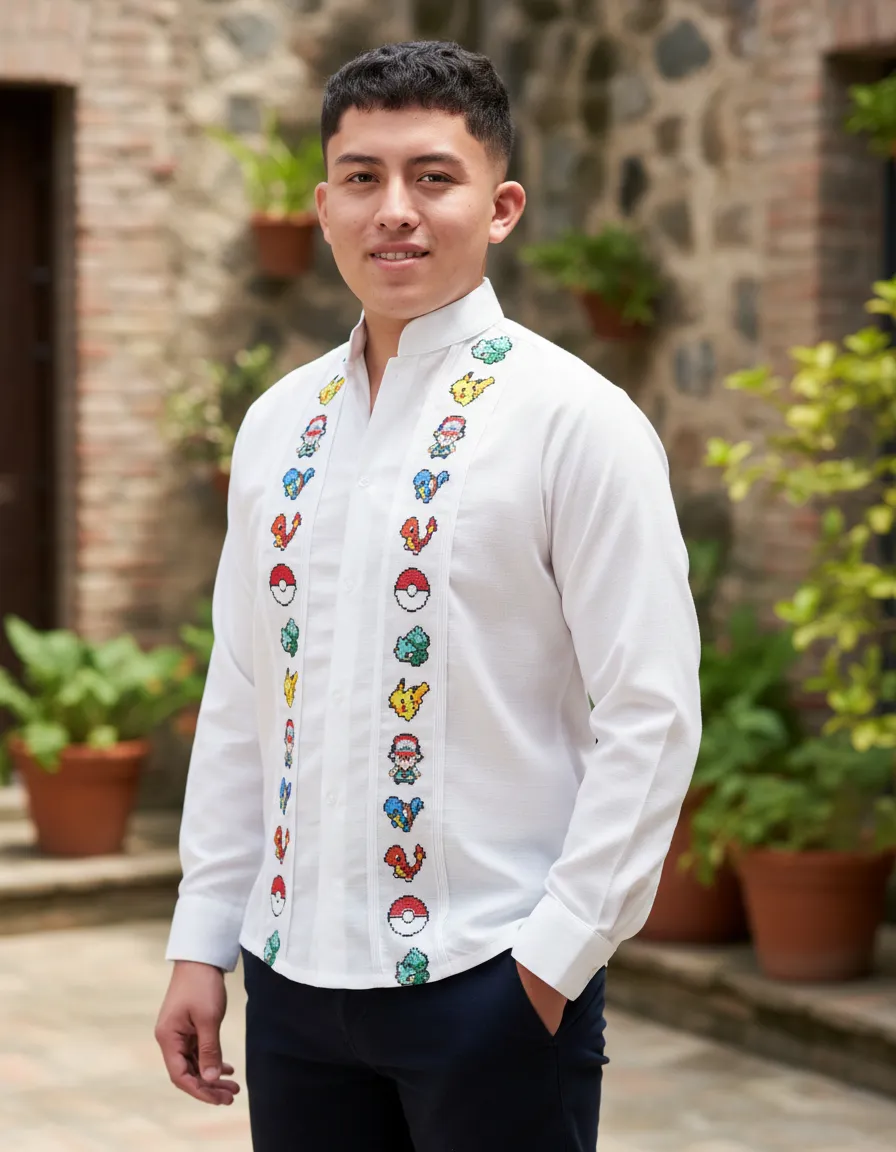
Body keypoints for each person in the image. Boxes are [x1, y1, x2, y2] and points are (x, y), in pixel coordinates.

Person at [155, 39, 702, 1152]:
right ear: (323, 206)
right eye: (362, 177)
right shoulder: (276, 426)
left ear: (499, 207)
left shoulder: (575, 422)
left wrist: (551, 962)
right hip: (291, 985)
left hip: (490, 979)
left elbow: (650, 712)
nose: (393, 209)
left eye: (432, 177)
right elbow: (244, 696)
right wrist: (202, 937)